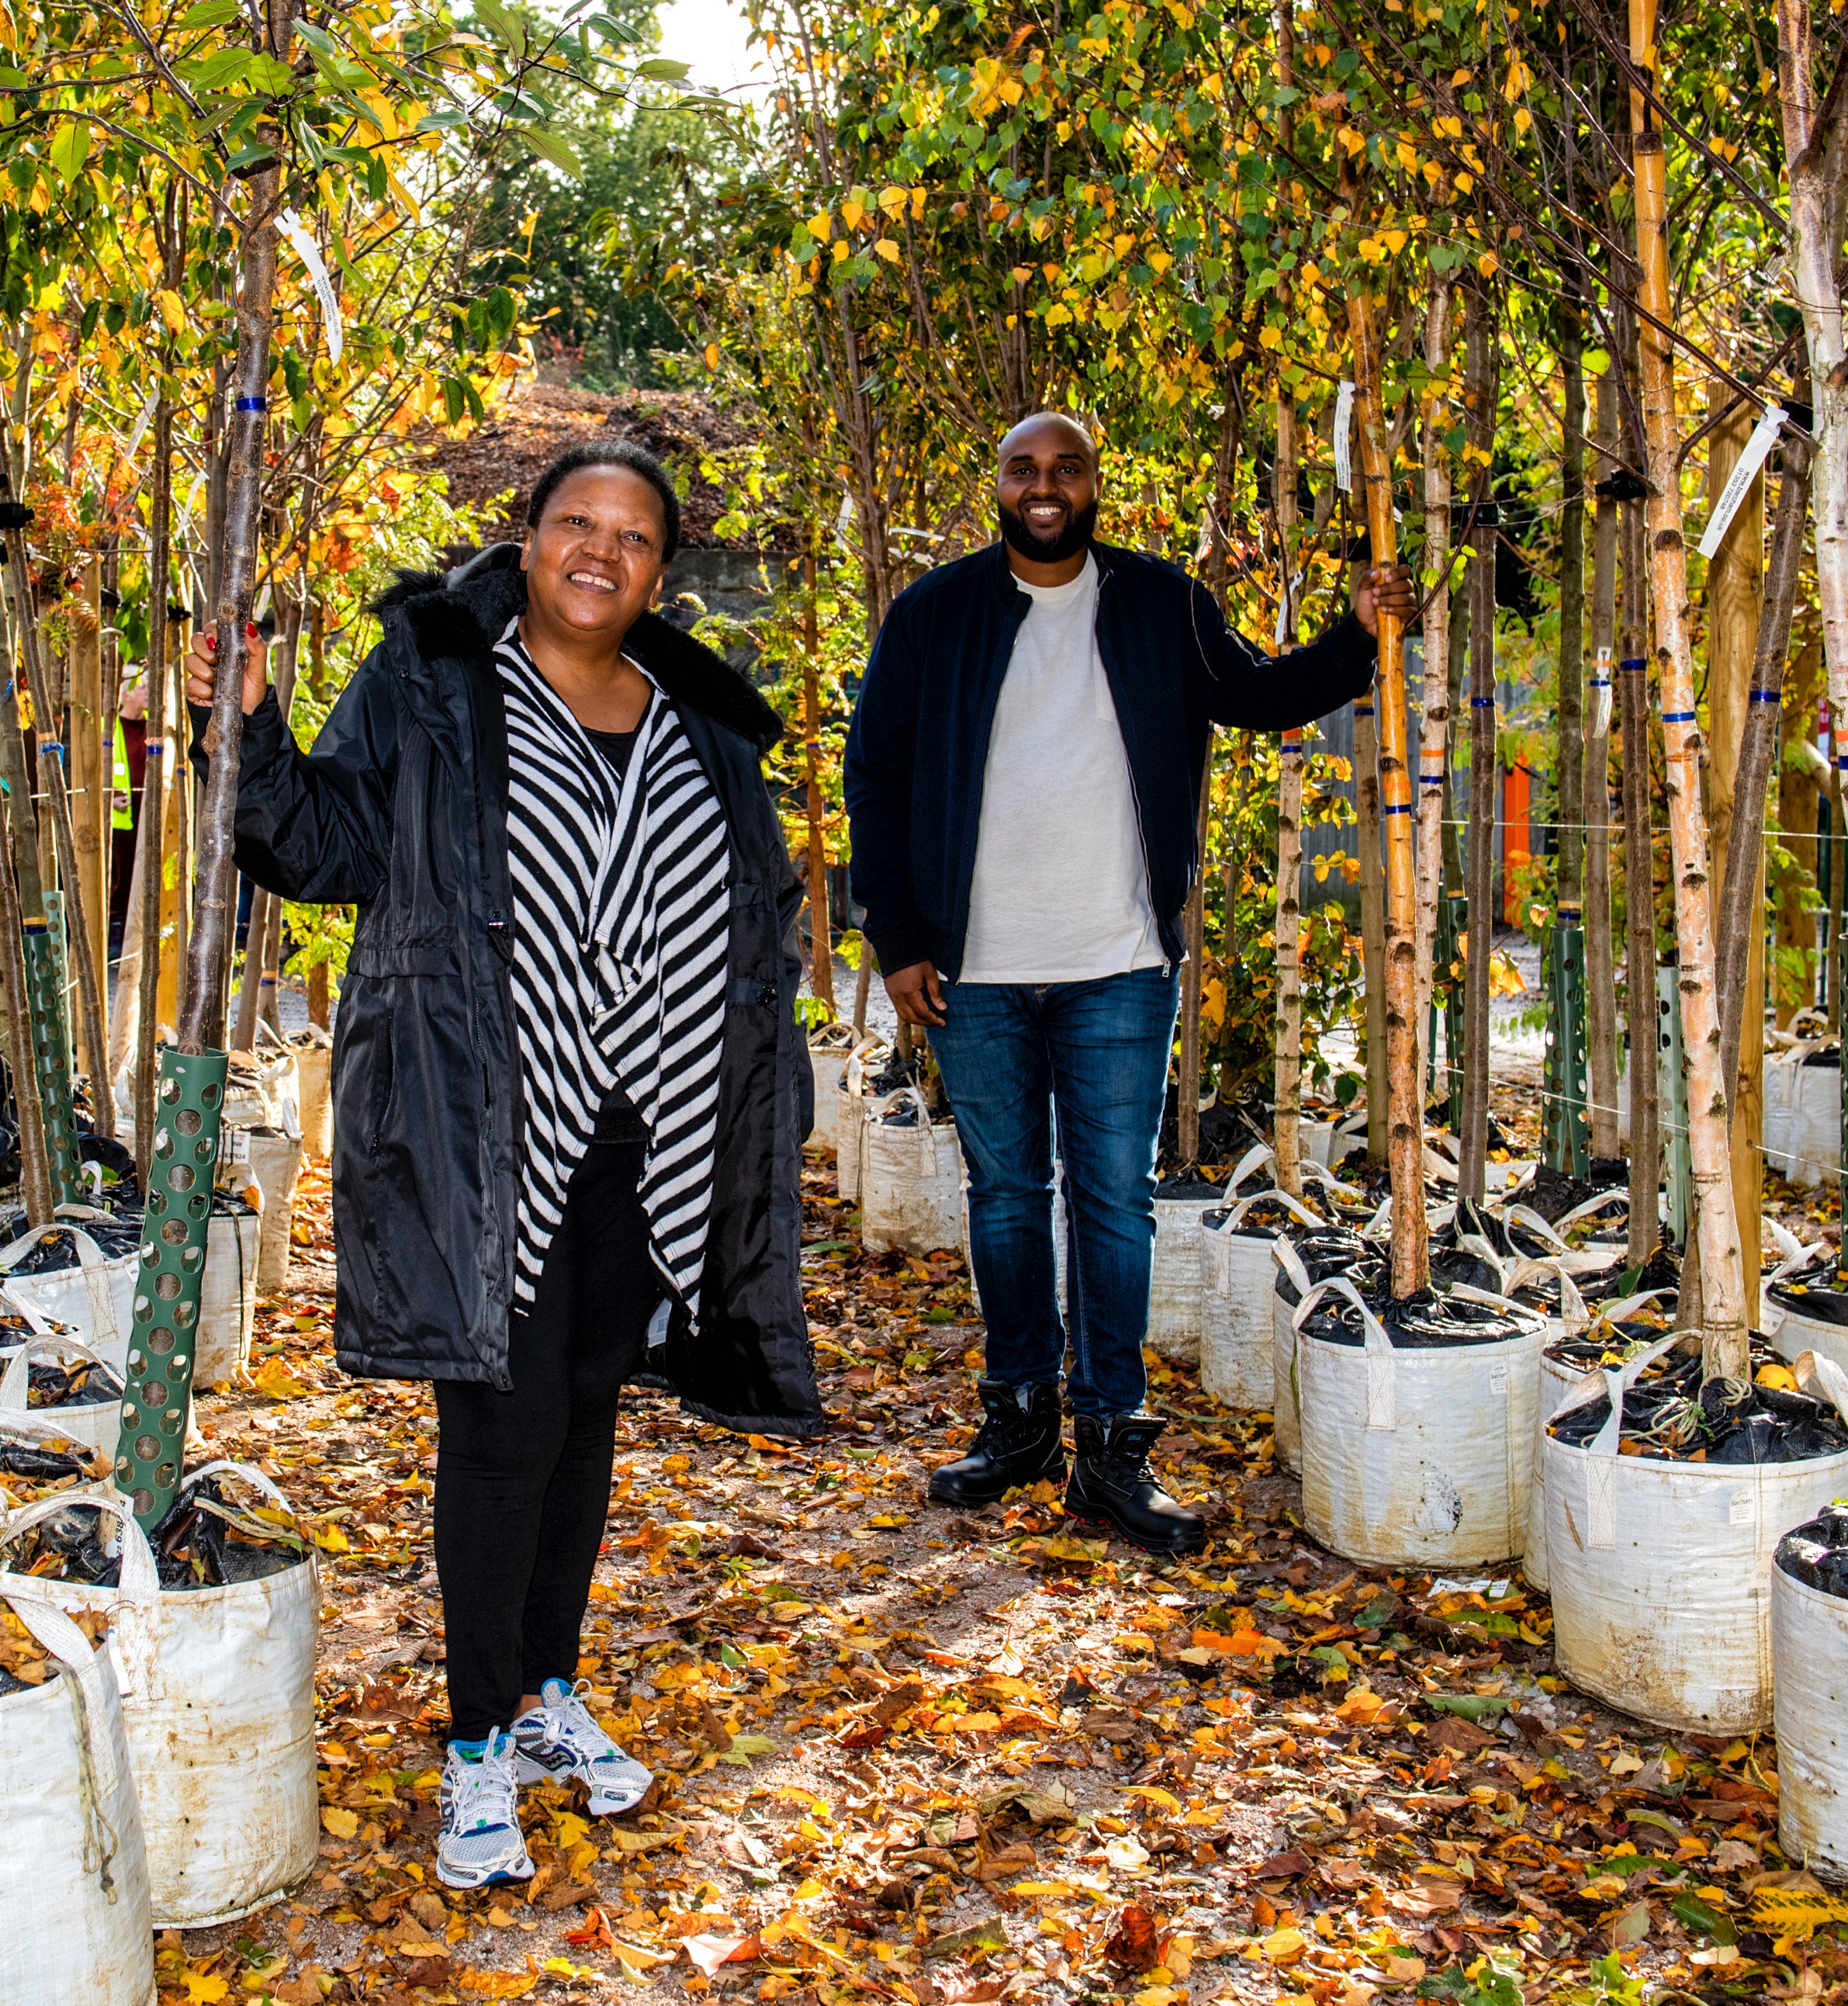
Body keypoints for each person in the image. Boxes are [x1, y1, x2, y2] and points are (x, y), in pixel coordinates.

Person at [185, 439, 822, 1893]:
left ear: (664, 569)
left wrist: (762, 1106)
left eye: (635, 537)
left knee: (582, 1412)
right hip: (487, 1118)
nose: (601, 553)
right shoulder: (435, 672)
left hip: (646, 1127)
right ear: (526, 538)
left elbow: (756, 916)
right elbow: (324, 843)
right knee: (497, 1421)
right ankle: (476, 1742)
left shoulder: (700, 719)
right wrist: (256, 722)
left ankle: (542, 1696)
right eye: (575, 524)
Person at [842, 411, 1412, 1554]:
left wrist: (1354, 640)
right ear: (996, 483)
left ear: (1095, 484)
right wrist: (896, 935)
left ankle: (1110, 1443)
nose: (1044, 487)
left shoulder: (1162, 603)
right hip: (974, 970)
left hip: (1118, 962)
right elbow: (877, 771)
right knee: (1005, 1200)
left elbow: (1254, 696)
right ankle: (1016, 1423)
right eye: (1022, 469)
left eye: (1065, 469)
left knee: (1112, 1205)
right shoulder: (933, 614)